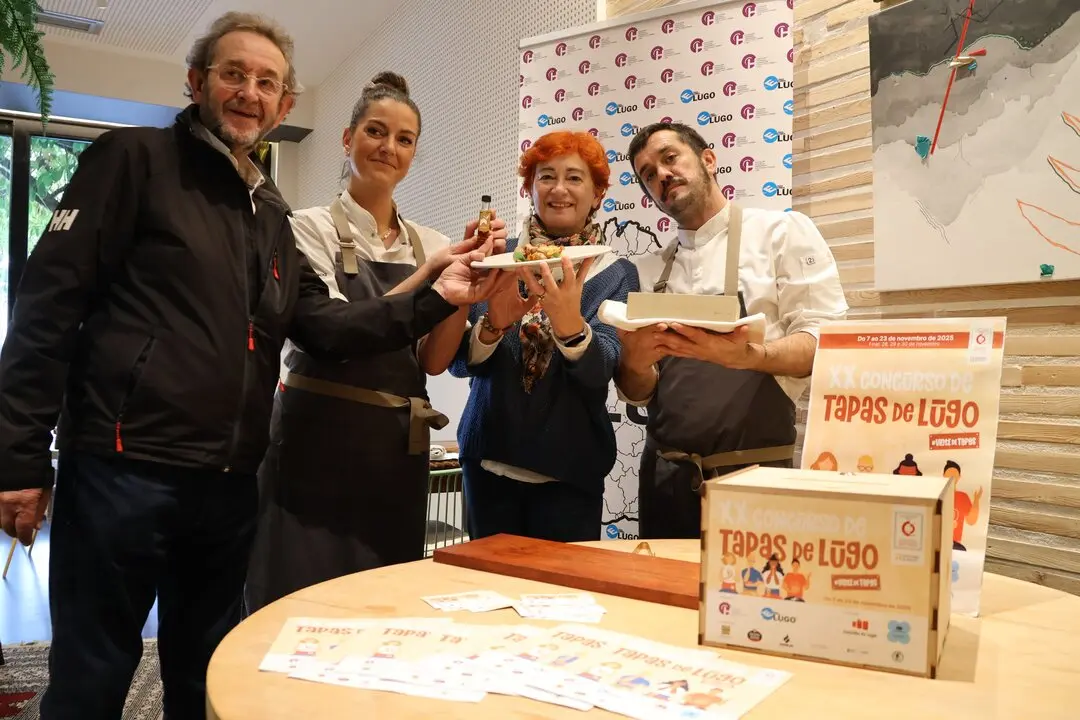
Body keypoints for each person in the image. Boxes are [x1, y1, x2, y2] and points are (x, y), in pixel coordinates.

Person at [0, 13, 499, 719]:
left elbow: (324, 326)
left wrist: (436, 297)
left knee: (207, 672)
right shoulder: (132, 160)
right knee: (92, 673)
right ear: (197, 81)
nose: (250, 92)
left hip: (232, 482)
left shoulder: (269, 210)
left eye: (268, 83)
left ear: (286, 106)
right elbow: (45, 305)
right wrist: (18, 458)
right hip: (123, 469)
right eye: (234, 73)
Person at [244, 72, 509, 613]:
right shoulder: (303, 228)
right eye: (376, 131)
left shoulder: (431, 241)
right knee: (296, 602)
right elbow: (335, 332)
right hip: (313, 446)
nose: (389, 148)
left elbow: (434, 362)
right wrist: (433, 278)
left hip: (393, 453)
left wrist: (466, 291)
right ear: (348, 139)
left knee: (379, 608)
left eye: (404, 139)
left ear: (414, 154)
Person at [616, 122, 848, 540]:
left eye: (670, 158)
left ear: (708, 159)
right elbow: (638, 392)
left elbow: (824, 342)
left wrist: (752, 357)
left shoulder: (780, 233)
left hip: (756, 480)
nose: (661, 175)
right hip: (664, 483)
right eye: (648, 174)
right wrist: (633, 361)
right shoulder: (649, 271)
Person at [449, 130, 639, 542]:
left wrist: (572, 328)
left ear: (598, 193)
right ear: (529, 188)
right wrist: (493, 326)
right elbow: (459, 364)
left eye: (574, 178)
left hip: (572, 471)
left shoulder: (615, 272)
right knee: (486, 593)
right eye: (545, 176)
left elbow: (601, 372)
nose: (559, 189)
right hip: (488, 460)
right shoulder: (499, 259)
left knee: (562, 602)